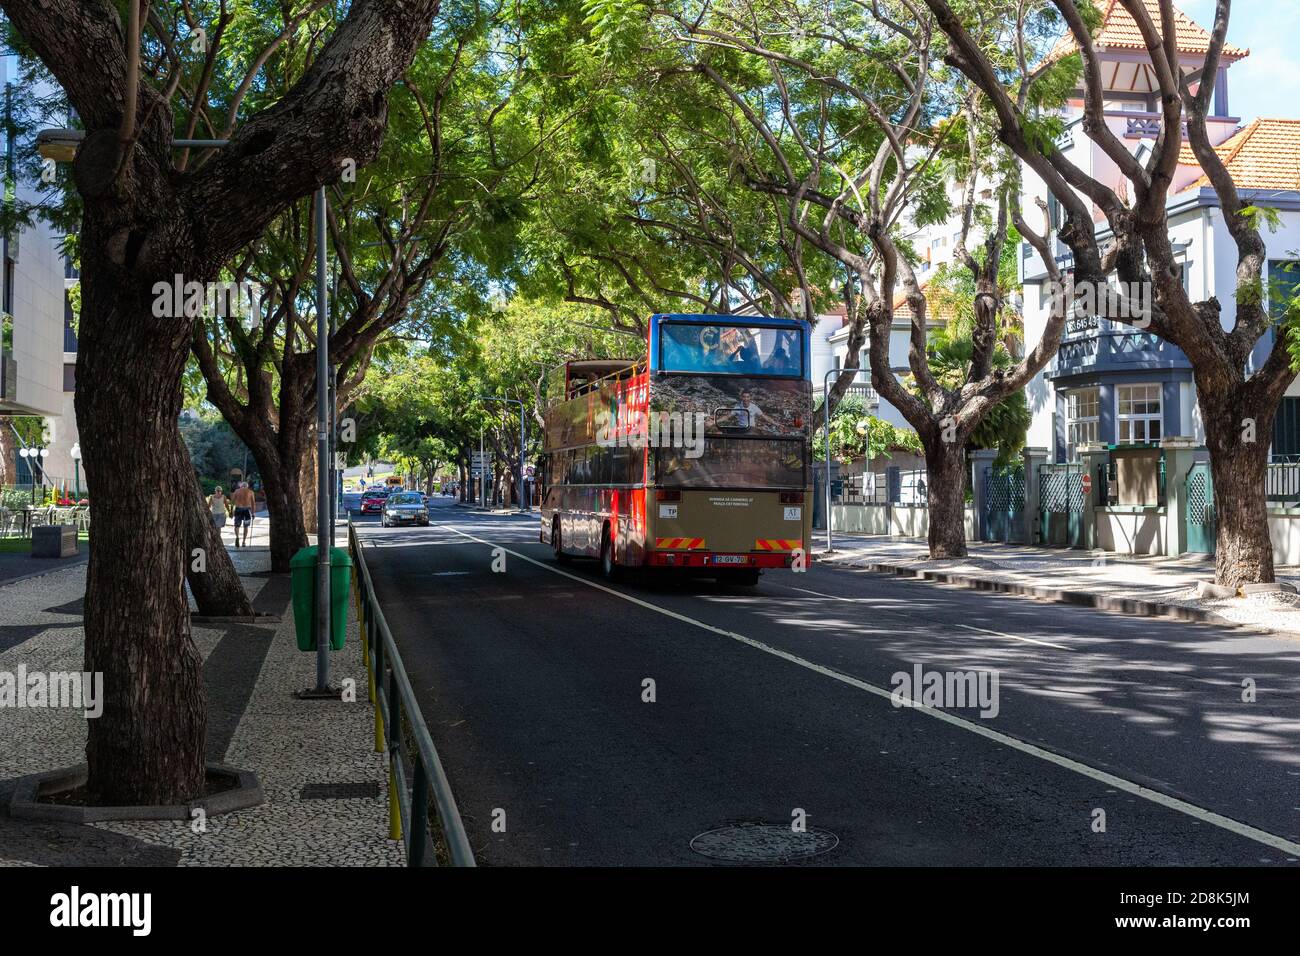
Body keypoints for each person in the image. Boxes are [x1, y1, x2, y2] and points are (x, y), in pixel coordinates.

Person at [231, 481, 256, 548]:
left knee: (237, 525)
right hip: (247, 510)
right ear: (247, 486)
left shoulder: (236, 491)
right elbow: (253, 503)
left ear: (241, 486)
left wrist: (231, 511)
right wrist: (253, 513)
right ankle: (244, 542)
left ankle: (237, 537)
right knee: (246, 526)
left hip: (238, 509)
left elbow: (232, 501)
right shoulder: (251, 492)